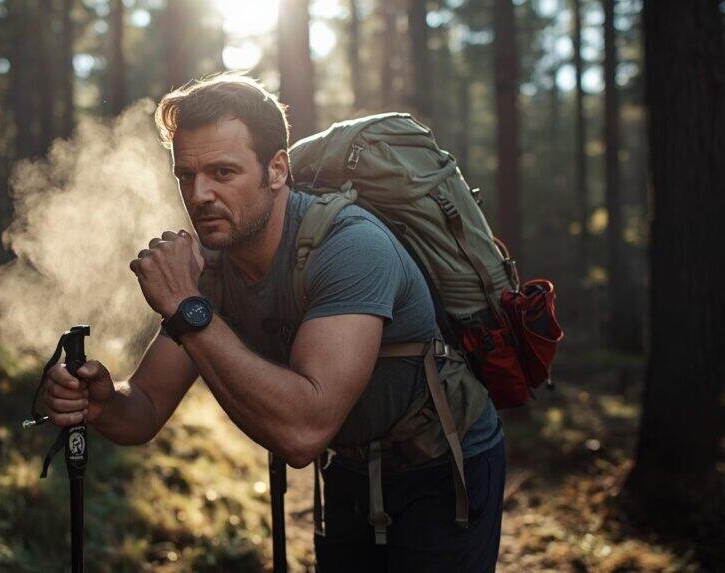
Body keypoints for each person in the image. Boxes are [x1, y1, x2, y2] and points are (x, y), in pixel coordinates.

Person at [42, 73, 506, 571]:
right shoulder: (213, 269)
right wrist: (104, 400)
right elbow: (147, 408)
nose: (199, 195)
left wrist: (187, 308)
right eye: (186, 176)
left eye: (223, 172)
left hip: (443, 464)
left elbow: (302, 435)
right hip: (349, 469)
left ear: (277, 170)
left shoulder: (350, 247)